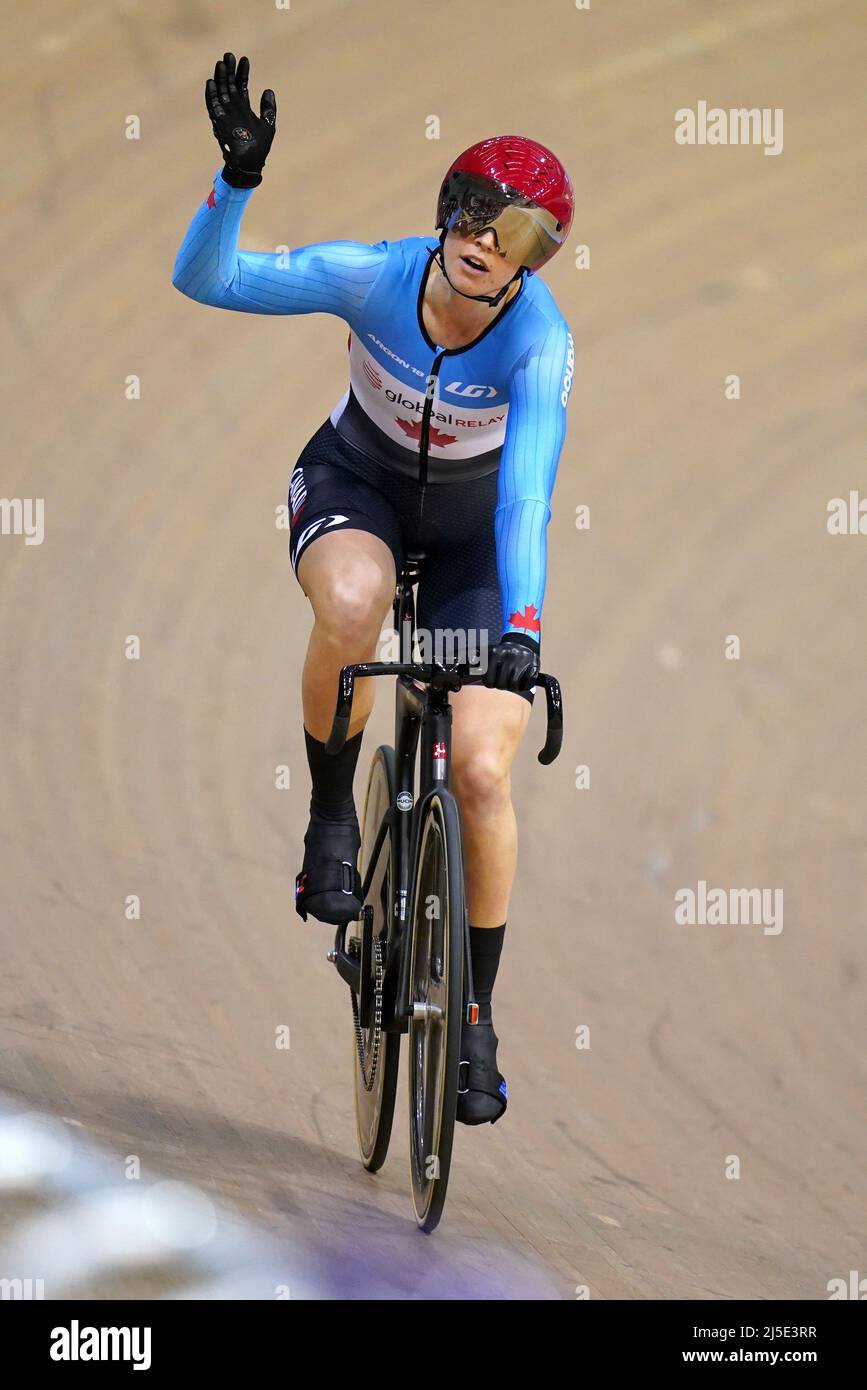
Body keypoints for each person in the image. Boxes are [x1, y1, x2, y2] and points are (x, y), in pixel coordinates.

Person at [173, 53, 575, 1127]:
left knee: (485, 769)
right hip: (357, 485)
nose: (493, 245)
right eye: (482, 216)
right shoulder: (370, 275)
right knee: (350, 610)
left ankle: (476, 1018)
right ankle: (327, 823)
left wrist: (521, 634)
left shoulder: (540, 341)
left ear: (539, 263)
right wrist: (235, 184)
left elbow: (527, 497)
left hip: (472, 543)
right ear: (449, 211)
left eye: (524, 236)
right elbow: (206, 280)